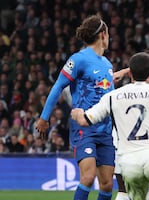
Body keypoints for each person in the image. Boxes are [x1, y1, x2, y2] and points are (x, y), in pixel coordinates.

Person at [71, 52, 149, 200]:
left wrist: (77, 113)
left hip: (129, 163)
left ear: (130, 74)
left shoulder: (113, 96)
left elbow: (85, 120)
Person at [36, 15, 115, 200]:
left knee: (107, 184)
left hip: (105, 129)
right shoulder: (78, 59)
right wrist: (44, 117)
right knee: (88, 177)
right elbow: (58, 86)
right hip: (84, 128)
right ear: (103, 34)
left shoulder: (107, 64)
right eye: (108, 33)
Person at [112, 49, 149, 200]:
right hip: (145, 146)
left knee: (123, 190)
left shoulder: (121, 92)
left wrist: (123, 72)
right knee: (146, 188)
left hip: (120, 142)